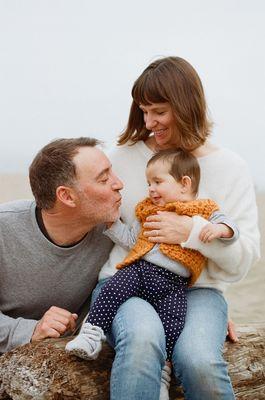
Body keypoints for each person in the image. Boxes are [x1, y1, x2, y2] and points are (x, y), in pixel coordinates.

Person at [90, 57, 260, 400]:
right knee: (142, 340)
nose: (150, 123)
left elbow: (243, 262)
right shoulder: (121, 158)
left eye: (159, 111)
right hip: (126, 284)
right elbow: (92, 228)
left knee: (199, 359)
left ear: (185, 107)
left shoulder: (231, 167)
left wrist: (191, 233)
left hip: (198, 293)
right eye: (144, 111)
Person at [65, 148, 239, 386]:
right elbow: (132, 240)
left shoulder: (204, 209)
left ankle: (162, 377)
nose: (151, 189)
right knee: (113, 291)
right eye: (149, 183)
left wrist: (218, 230)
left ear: (184, 184)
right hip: (140, 270)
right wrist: (113, 225)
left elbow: (230, 226)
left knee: (172, 328)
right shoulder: (147, 210)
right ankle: (91, 334)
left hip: (174, 284)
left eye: (157, 182)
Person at [0, 137, 123, 354]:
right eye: (104, 180)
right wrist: (31, 330)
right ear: (66, 196)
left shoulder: (116, 233)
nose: (119, 184)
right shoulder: (4, 229)